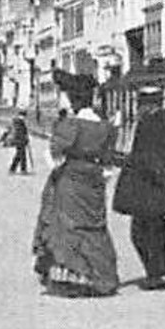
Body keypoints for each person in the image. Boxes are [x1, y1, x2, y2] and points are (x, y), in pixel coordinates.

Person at [32, 76, 120, 297]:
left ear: (73, 100)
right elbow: (108, 164)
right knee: (94, 226)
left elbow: (54, 157)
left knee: (67, 227)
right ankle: (100, 276)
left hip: (70, 180)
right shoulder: (105, 127)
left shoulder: (70, 125)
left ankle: (71, 278)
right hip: (94, 181)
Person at [112, 86, 165, 290]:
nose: (138, 108)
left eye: (140, 103)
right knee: (158, 232)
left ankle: (155, 274)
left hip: (148, 188)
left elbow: (146, 156)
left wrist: (162, 175)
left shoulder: (147, 123)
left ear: (147, 104)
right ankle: (159, 272)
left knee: (140, 233)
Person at [2, 110, 32, 175]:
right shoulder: (19, 122)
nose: (24, 118)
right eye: (23, 116)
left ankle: (16, 169)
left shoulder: (18, 122)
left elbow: (23, 132)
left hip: (19, 140)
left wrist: (26, 138)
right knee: (21, 155)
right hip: (19, 140)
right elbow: (20, 133)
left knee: (20, 155)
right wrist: (25, 138)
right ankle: (20, 169)